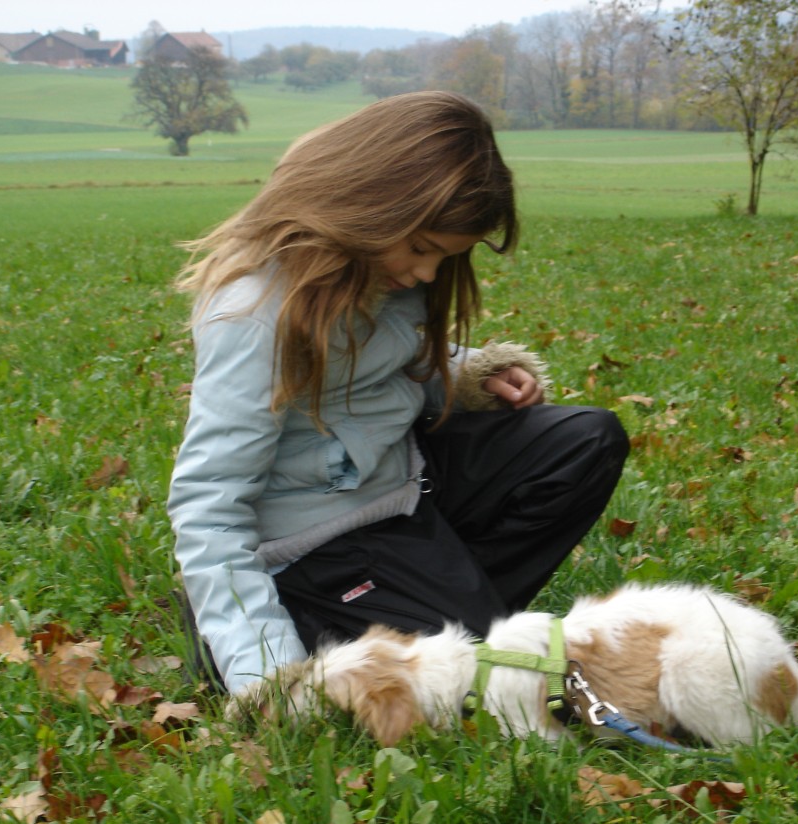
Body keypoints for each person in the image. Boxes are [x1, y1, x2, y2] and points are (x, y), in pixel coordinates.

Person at [166, 91, 628, 713]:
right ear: (367, 206)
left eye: (447, 258)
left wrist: (466, 374)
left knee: (587, 440)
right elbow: (209, 507)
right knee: (476, 674)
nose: (429, 274)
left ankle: (431, 602)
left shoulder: (379, 270)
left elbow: (384, 370)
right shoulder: (254, 316)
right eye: (423, 249)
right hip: (311, 540)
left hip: (401, 484)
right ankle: (278, 629)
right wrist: (267, 680)